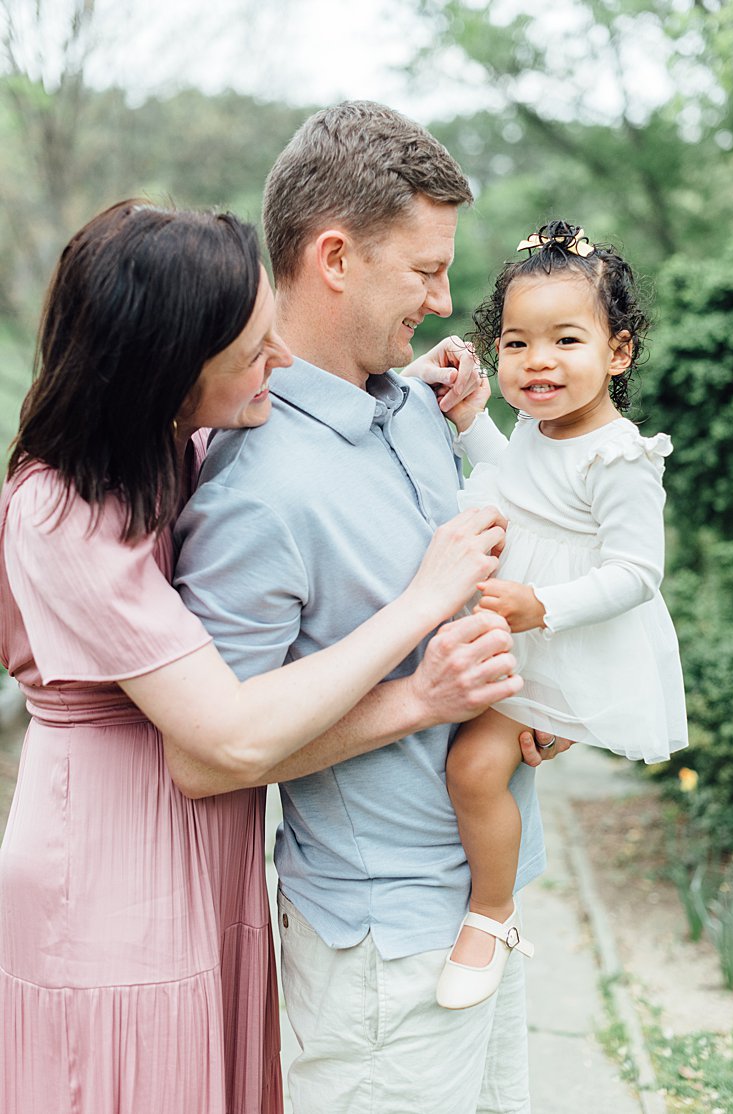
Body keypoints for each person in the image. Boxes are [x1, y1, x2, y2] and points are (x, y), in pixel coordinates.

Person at [0, 201, 520, 1113]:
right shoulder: (61, 516)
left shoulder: (171, 444)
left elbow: (307, 404)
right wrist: (422, 618)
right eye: (251, 351)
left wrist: (400, 382)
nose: (277, 360)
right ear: (165, 366)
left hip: (214, 859)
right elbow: (229, 738)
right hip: (114, 871)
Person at [172, 101, 560, 1113]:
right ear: (335, 257)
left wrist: (535, 707)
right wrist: (424, 698)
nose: (442, 301)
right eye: (425, 271)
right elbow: (214, 756)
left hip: (488, 910)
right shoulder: (255, 487)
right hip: (383, 962)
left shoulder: (415, 409)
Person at [425, 221, 688, 1010]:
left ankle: (493, 911)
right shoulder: (538, 431)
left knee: (471, 769)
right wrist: (472, 421)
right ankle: (488, 900)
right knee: (467, 765)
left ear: (619, 353)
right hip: (522, 628)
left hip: (561, 638)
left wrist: (544, 606)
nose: (538, 362)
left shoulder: (621, 456)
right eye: (516, 343)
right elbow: (517, 489)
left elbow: (640, 573)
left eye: (566, 340)